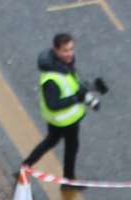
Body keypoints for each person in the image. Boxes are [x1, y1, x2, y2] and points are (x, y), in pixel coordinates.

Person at [21, 32, 89, 188]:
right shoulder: (51, 79)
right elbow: (53, 104)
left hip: (65, 119)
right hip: (63, 120)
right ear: (56, 50)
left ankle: (25, 167)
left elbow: (70, 82)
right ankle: (68, 181)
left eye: (71, 49)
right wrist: (76, 98)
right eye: (65, 50)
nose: (70, 53)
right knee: (70, 147)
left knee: (51, 141)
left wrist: (84, 89)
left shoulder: (64, 64)